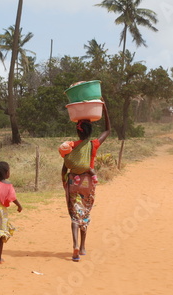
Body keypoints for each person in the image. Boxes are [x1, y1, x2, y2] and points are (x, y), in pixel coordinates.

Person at [61, 102, 111, 262]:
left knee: (74, 215)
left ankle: (75, 245)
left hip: (73, 182)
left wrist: (64, 182)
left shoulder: (70, 147)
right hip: (88, 183)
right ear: (90, 132)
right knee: (85, 213)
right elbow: (108, 130)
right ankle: (82, 247)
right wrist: (105, 111)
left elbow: (65, 166)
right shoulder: (93, 145)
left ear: (77, 131)